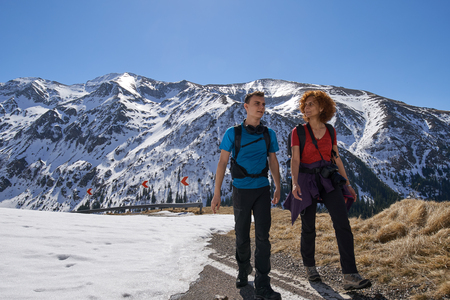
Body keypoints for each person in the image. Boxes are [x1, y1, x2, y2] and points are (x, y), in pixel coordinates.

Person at [284, 90, 371, 291]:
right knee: (309, 226)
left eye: (312, 104)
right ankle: (310, 267)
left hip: (328, 179)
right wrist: (295, 183)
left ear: (322, 107)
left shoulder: (331, 131)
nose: (307, 108)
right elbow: (295, 159)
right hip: (306, 180)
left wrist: (347, 184)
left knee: (342, 224)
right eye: (305, 104)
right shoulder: (298, 131)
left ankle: (350, 274)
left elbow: (336, 157)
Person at [211, 91, 282, 300]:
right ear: (246, 106)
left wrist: (278, 186)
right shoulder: (233, 133)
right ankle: (243, 270)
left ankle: (262, 283)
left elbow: (274, 162)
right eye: (256, 103)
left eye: (263, 104)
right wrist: (216, 194)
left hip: (262, 189)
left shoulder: (269, 134)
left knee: (263, 238)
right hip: (241, 190)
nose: (261, 107)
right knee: (242, 236)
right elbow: (222, 163)